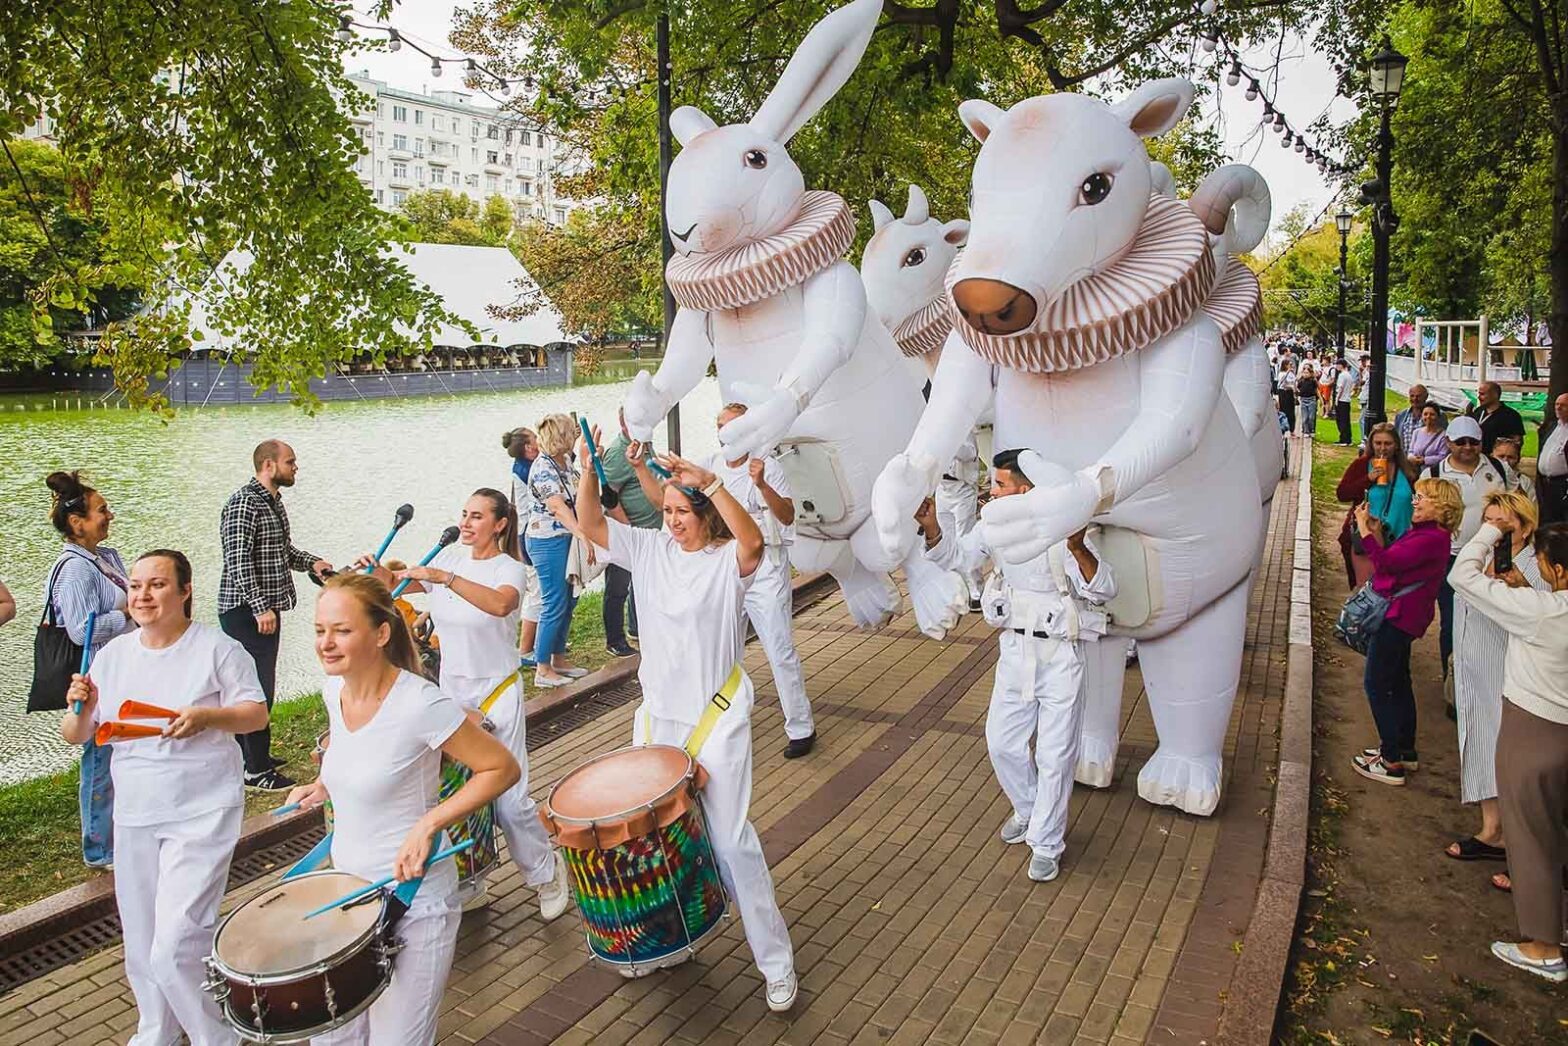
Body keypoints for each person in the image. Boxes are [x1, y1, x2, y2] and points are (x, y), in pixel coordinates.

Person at [572, 436, 799, 1012]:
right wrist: (584, 467)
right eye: (667, 511)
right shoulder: (648, 551)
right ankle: (673, 942)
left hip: (716, 719)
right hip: (657, 721)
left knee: (729, 843)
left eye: (682, 512)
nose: (672, 521)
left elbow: (750, 539)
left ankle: (776, 964)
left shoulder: (728, 561)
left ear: (704, 515)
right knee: (655, 842)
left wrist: (714, 482)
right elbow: (591, 524)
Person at [284, 574, 521, 1043]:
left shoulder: (420, 703)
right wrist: (323, 784)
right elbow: (361, 758)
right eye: (319, 630)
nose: (326, 644)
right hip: (347, 897)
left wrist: (430, 822)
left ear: (381, 633)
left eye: (342, 631)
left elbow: (501, 768)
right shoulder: (336, 692)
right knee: (334, 1037)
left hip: (413, 900)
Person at [61, 550, 269, 1046]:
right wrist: (81, 706)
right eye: (135, 586)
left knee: (176, 941)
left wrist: (207, 717)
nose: (143, 595)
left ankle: (216, 1036)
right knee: (141, 938)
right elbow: (77, 733)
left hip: (203, 808)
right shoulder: (112, 655)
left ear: (185, 590)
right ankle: (156, 1028)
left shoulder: (218, 649)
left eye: (156, 585)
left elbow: (256, 714)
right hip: (135, 811)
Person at [363, 489, 571, 918]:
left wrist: (447, 580)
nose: (467, 523)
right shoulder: (448, 559)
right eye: (464, 514)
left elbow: (500, 604)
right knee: (455, 797)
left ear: (499, 524)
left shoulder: (509, 569)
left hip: (497, 693)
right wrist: (375, 571)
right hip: (452, 696)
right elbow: (393, 583)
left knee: (510, 802)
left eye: (477, 516)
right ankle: (472, 874)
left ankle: (546, 872)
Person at [916, 451, 1115, 884]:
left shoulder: (1061, 527)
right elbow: (959, 556)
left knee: (1054, 753)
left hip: (1061, 655)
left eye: (1000, 485)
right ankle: (1028, 810)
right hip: (1014, 652)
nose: (991, 491)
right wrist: (931, 526)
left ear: (1025, 490)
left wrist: (1079, 547)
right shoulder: (994, 527)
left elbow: (1104, 588)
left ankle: (1047, 842)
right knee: (1002, 742)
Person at [1449, 520, 1568, 984]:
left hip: (1534, 729)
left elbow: (1463, 577)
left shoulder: (1542, 612)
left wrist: (1489, 532)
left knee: (1531, 838)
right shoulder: (1542, 607)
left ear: (1558, 569)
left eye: (1542, 566)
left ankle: (1542, 946)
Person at [701, 404, 816, 758]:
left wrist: (762, 484)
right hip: (727, 567)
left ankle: (801, 727)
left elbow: (787, 514)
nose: (725, 433)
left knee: (779, 648)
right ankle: (721, 722)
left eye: (732, 427)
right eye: (720, 426)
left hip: (766, 568)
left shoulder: (768, 466)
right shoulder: (710, 464)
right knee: (722, 649)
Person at [218, 440, 333, 791]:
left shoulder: (272, 502)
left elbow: (281, 551)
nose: (295, 467)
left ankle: (257, 757)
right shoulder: (243, 504)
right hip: (245, 612)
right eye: (290, 461)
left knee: (262, 684)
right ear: (268, 465)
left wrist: (312, 562)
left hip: (265, 609)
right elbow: (237, 561)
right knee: (254, 690)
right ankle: (253, 771)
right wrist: (258, 606)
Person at [1445, 491, 1547, 866]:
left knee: (1506, 751)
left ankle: (1515, 839)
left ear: (1526, 525)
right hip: (1474, 667)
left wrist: (1521, 587)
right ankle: (1492, 828)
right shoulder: (1480, 557)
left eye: (1503, 524)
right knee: (1480, 741)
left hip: (1509, 672)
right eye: (1488, 522)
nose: (1494, 531)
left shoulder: (1535, 568)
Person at [42, 471, 136, 869]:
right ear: (77, 523)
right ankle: (99, 849)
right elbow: (81, 629)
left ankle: (121, 836)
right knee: (99, 758)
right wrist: (126, 615)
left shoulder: (107, 557)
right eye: (101, 511)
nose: (109, 515)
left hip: (123, 669)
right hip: (95, 676)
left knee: (119, 754)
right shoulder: (75, 568)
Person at [1351, 478, 1463, 785]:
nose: (1415, 502)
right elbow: (1398, 559)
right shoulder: (1427, 534)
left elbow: (1386, 563)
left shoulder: (1431, 538)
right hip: (1406, 616)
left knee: (1376, 684)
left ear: (1441, 507)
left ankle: (1390, 760)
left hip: (1397, 618)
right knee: (1399, 681)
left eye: (1423, 498)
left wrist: (1362, 528)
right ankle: (1405, 748)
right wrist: (1375, 530)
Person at [1426, 416, 1507, 676]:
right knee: (1452, 621)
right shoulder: (1433, 474)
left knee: (1489, 620)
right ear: (1448, 442)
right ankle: (1453, 681)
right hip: (1452, 558)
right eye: (1461, 442)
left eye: (1474, 442)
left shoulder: (1497, 468)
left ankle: (1484, 677)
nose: (1468, 447)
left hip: (1492, 558)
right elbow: (1417, 509)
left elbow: (1516, 499)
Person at [525, 414, 587, 688]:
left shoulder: (565, 461)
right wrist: (581, 533)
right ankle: (542, 667)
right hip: (547, 539)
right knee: (554, 601)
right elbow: (557, 506)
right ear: (561, 435)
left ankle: (558, 658)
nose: (575, 433)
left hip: (565, 536)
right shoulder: (542, 468)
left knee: (569, 599)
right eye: (571, 431)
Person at [599, 411, 663, 657]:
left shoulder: (645, 443)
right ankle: (615, 640)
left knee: (642, 582)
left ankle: (637, 628)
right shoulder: (618, 453)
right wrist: (628, 530)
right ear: (622, 422)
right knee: (618, 586)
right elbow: (608, 496)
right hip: (628, 533)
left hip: (649, 532)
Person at [1335, 424, 1415, 588]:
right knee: (1370, 591)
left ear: (1397, 445)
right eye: (1378, 443)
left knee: (1396, 593)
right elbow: (1342, 494)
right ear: (1371, 444)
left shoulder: (1407, 470)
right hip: (1368, 538)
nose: (1383, 448)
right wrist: (1368, 479)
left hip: (1401, 541)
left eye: (1388, 443)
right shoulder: (1362, 465)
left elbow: (1418, 499)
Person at [502, 427, 545, 667]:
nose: (540, 442)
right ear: (528, 448)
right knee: (537, 593)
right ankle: (525, 649)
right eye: (535, 439)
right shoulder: (528, 469)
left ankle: (537, 642)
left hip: (528, 532)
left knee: (539, 591)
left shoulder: (524, 465)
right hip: (532, 534)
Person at [1467, 380, 1526, 455]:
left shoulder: (1511, 415)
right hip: (1476, 457)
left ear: (1495, 395)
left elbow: (1517, 440)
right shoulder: (1478, 411)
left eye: (1482, 394)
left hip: (1497, 459)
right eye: (1479, 394)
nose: (1479, 397)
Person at [1535, 392, 1568, 524]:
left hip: (1562, 485)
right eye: (1557, 404)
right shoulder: (1552, 426)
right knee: (1545, 520)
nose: (1558, 408)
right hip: (1544, 484)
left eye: (1564, 405)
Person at [1405, 403, 1449, 471]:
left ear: (1438, 416)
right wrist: (1412, 458)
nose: (1428, 417)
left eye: (1432, 414)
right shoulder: (1416, 432)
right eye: (1425, 414)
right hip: (1416, 471)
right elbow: (1410, 451)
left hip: (1433, 472)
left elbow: (1443, 456)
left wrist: (1424, 460)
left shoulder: (1443, 436)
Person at [1392, 384, 1431, 449]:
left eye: (1418, 396)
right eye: (1412, 396)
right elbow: (1395, 438)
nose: (1415, 399)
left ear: (1426, 397)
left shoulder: (1436, 416)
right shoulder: (1401, 416)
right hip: (1404, 457)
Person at [1333, 358, 1356, 445]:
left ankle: (1344, 439)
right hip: (1347, 399)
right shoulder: (1349, 375)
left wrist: (1337, 399)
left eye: (1337, 365)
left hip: (1342, 400)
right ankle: (1348, 438)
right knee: (1346, 420)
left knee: (1341, 420)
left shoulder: (1342, 375)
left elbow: (1340, 388)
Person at [1296, 362, 1319, 438]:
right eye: (1304, 373)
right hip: (1303, 399)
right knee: (1305, 417)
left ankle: (1311, 430)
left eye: (1307, 373)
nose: (1305, 374)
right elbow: (1298, 387)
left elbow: (1316, 390)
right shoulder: (1301, 381)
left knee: (1311, 417)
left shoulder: (1313, 381)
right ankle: (1306, 431)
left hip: (1311, 399)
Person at [1275, 361, 1298, 435]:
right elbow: (1282, 382)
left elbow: (1294, 382)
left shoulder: (1292, 374)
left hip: (1290, 392)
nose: (1290, 366)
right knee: (1284, 410)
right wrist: (1287, 372)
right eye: (1289, 365)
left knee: (1291, 411)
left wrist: (1295, 391)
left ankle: (1292, 429)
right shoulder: (1282, 373)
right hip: (1283, 392)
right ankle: (1283, 429)